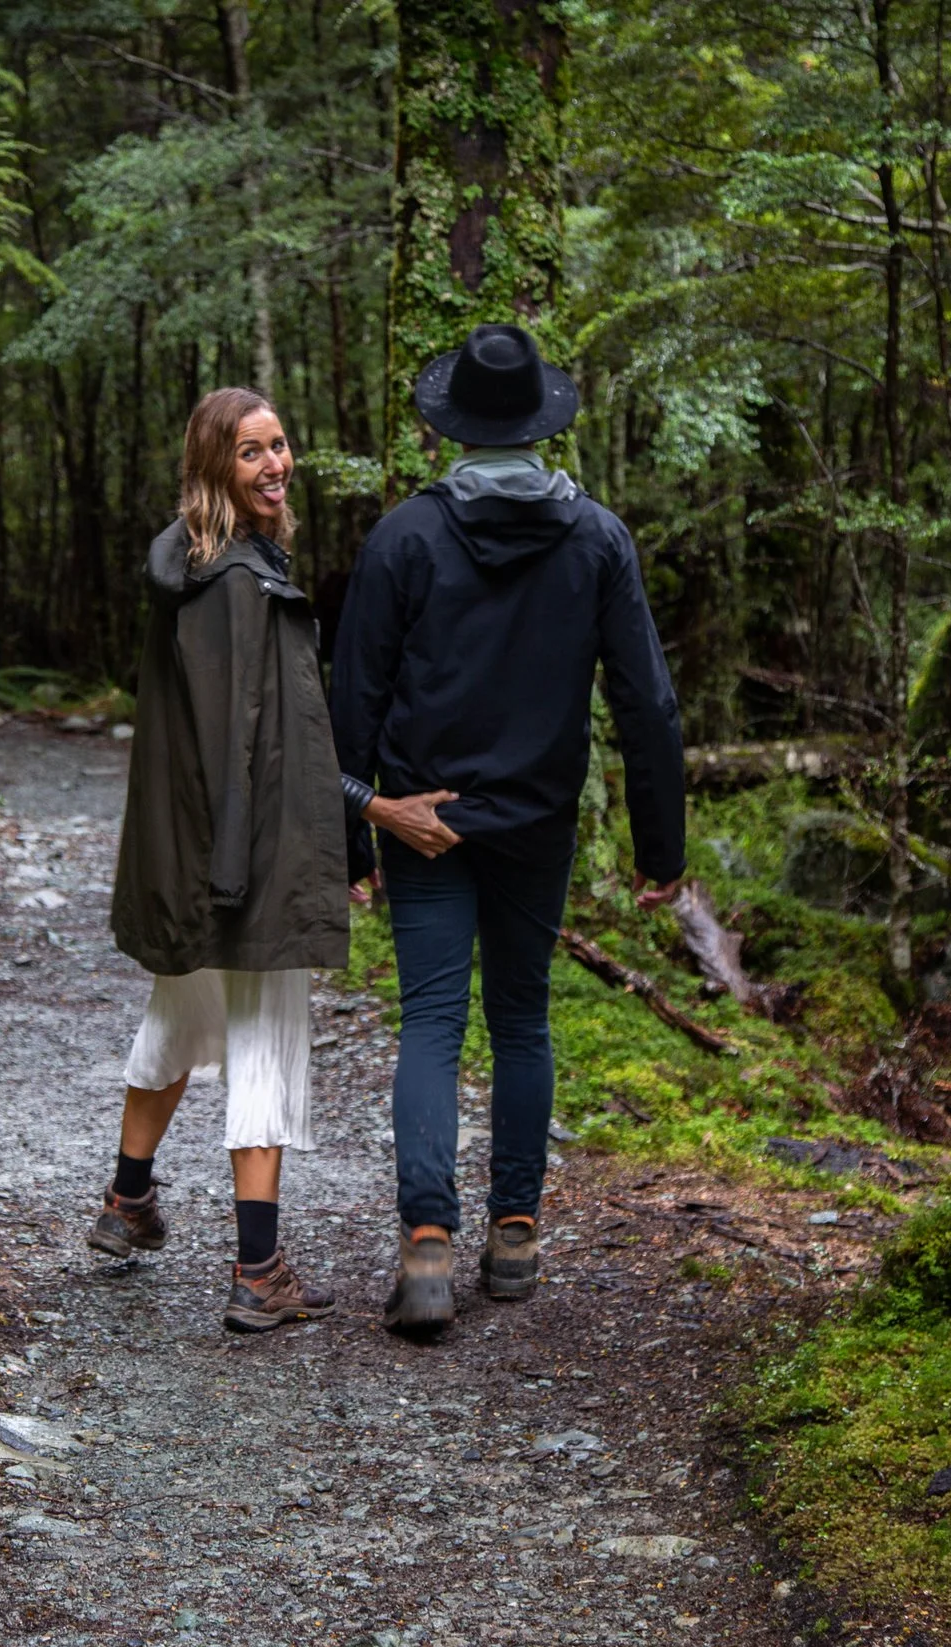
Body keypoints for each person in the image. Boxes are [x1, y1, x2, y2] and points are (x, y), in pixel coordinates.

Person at [332, 323, 687, 1338]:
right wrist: (661, 850)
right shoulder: (596, 537)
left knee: (434, 1022)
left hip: (422, 820)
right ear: (539, 424)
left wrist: (356, 833)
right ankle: (518, 1231)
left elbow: (351, 693)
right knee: (522, 1019)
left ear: (452, 428)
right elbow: (646, 703)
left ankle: (428, 1243)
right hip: (536, 820)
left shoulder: (404, 535)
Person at [96, 387, 352, 1334]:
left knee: (180, 1009)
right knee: (266, 1044)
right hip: (246, 858)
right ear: (215, 470)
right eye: (250, 453)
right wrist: (247, 873)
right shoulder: (242, 584)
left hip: (196, 854)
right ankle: (259, 1270)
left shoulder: (194, 570)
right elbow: (248, 737)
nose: (276, 465)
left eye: (281, 445)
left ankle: (127, 1203)